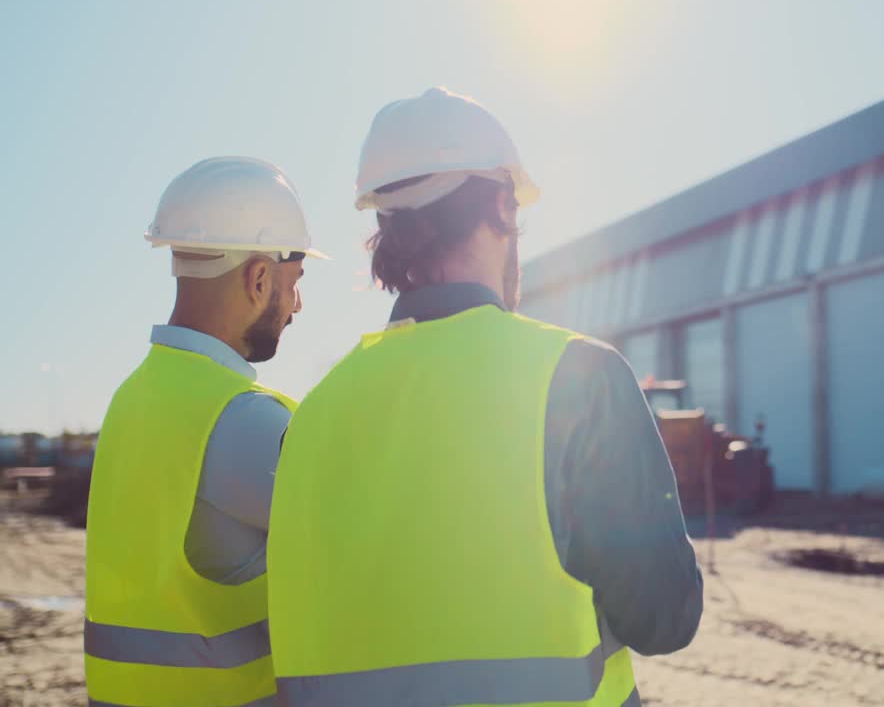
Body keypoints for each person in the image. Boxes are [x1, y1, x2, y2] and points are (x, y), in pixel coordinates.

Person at [267, 87, 703, 706]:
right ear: (503, 204)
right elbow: (664, 620)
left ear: (384, 226)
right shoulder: (578, 379)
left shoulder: (310, 417)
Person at [84, 157, 326, 707]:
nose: (297, 305)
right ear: (259, 277)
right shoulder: (245, 422)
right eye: (295, 283)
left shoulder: (132, 398)